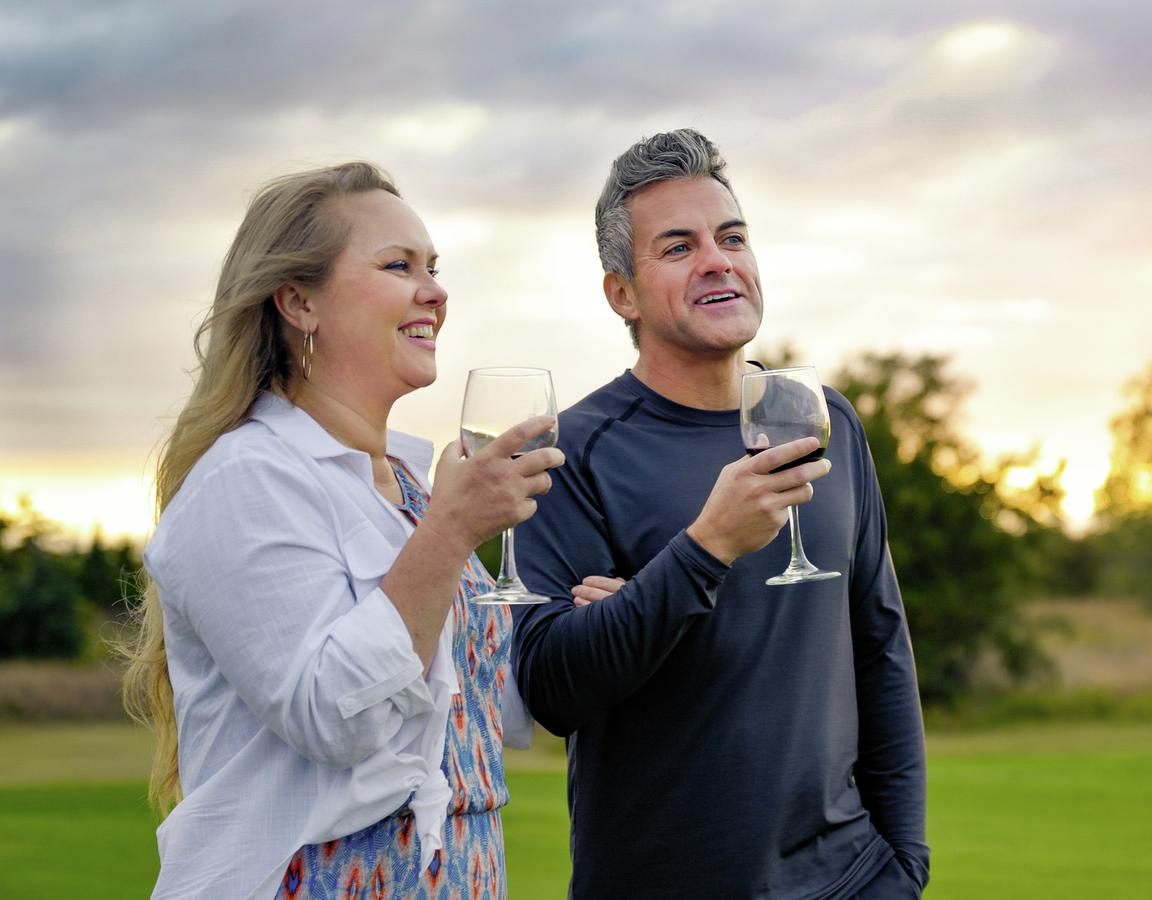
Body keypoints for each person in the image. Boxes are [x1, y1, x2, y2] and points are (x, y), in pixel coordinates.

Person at [120, 161, 564, 899]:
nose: (435, 291)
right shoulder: (246, 481)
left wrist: (594, 612)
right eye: (399, 266)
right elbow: (332, 717)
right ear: (298, 301)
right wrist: (452, 533)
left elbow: (492, 709)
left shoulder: (415, 491)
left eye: (434, 268)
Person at [512, 129, 930, 898]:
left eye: (732, 237)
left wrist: (904, 864)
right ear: (622, 293)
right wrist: (703, 549)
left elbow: (879, 646)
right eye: (678, 247)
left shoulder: (821, 418)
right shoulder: (570, 451)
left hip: (851, 880)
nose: (718, 260)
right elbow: (549, 688)